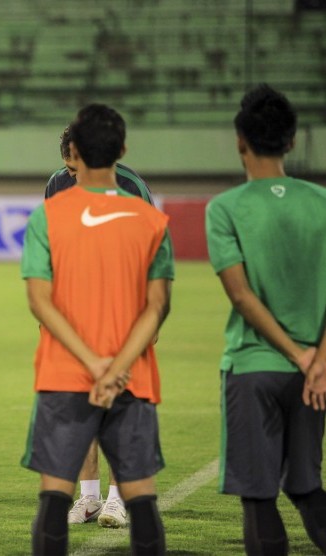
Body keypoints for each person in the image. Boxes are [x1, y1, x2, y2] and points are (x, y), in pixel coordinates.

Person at [21, 103, 173, 555]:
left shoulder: (45, 218)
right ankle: (96, 498)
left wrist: (92, 363)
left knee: (51, 503)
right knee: (144, 504)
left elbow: (38, 300)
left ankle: (97, 499)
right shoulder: (153, 221)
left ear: (77, 153)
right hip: (132, 372)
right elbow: (158, 304)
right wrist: (118, 366)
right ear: (121, 149)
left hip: (65, 368)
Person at [205, 84, 326, 556]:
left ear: (240, 141)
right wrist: (316, 359)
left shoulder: (225, 209)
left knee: (258, 497)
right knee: (305, 487)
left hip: (254, 366)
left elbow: (240, 295)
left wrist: (294, 352)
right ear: (292, 141)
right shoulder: (321, 201)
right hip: (314, 376)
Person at [46, 125, 156, 529]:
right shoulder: (57, 184)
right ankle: (88, 498)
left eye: (78, 168)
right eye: (68, 168)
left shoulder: (129, 186)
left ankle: (117, 499)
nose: (71, 177)